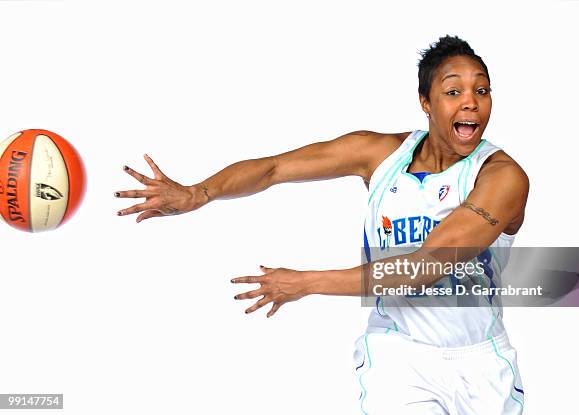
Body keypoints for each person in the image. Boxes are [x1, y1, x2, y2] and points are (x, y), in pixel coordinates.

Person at [115, 35, 529, 414]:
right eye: (453, 91)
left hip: (481, 361)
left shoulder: (502, 177)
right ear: (425, 101)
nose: (471, 101)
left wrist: (306, 282)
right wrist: (197, 194)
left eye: (482, 90)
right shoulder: (380, 154)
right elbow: (274, 167)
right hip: (399, 355)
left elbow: (424, 266)